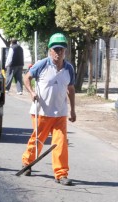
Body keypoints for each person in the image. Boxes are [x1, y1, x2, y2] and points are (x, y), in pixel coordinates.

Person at [21, 32, 77, 186]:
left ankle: (61, 174)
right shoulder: (42, 64)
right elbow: (27, 77)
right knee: (38, 140)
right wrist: (32, 92)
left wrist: (72, 110)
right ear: (50, 50)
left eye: (61, 49)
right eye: (55, 49)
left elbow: (71, 89)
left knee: (61, 143)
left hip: (60, 113)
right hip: (41, 112)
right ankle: (27, 163)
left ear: (65, 51)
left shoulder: (69, 69)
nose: (58, 52)